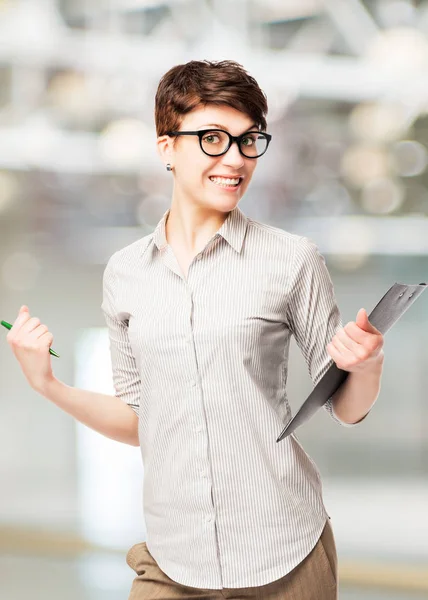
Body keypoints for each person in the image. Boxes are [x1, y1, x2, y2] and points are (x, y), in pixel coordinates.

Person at [7, 60, 384, 600]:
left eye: (248, 140)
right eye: (212, 139)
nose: (235, 159)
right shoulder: (125, 273)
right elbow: (141, 419)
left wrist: (366, 365)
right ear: (166, 148)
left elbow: (344, 406)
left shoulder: (292, 260)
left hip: (285, 553)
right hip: (172, 558)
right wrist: (47, 384)